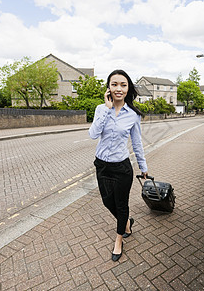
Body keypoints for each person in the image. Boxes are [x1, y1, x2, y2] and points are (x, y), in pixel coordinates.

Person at [89, 69, 148, 262]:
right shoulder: (100, 109)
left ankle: (119, 239)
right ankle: (126, 224)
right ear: (108, 87)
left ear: (128, 87)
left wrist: (143, 166)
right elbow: (93, 134)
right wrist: (106, 110)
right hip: (102, 166)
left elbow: (137, 142)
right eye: (114, 84)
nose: (119, 88)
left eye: (123, 85)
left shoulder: (132, 115)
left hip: (122, 167)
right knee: (107, 202)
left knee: (121, 205)